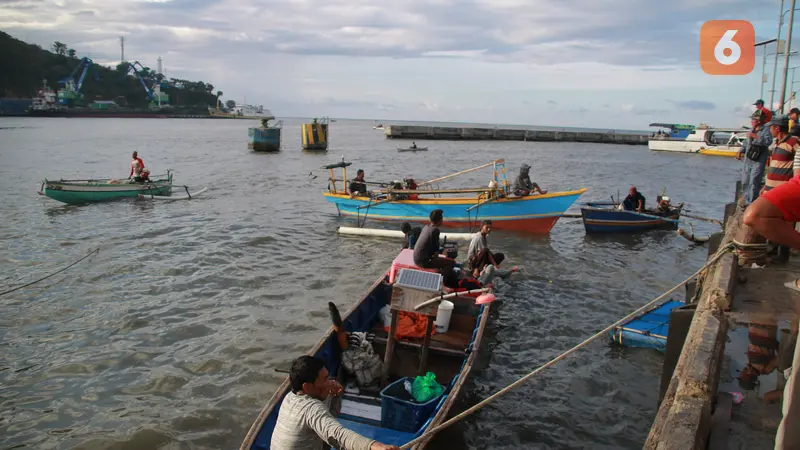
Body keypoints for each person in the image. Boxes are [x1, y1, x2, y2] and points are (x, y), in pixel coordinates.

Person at [270, 356, 399, 450]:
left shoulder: (289, 397)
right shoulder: (311, 408)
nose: (330, 382)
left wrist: (335, 396)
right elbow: (337, 435)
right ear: (307, 387)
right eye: (325, 379)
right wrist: (375, 446)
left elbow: (328, 420)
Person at [762, 115, 799, 263]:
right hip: (770, 190)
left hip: (783, 192)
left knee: (786, 225)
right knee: (771, 222)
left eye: (771, 127)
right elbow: (773, 167)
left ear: (777, 128)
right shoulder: (776, 144)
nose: (770, 130)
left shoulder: (794, 143)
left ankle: (783, 255)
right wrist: (765, 187)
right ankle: (771, 249)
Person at [737, 111, 772, 206]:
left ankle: (750, 202)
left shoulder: (766, 130)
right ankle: (745, 199)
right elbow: (746, 143)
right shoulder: (751, 129)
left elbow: (768, 142)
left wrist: (756, 137)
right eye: (752, 119)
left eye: (754, 119)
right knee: (745, 181)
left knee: (754, 181)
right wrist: (741, 150)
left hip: (758, 160)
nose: (752, 121)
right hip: (748, 159)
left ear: (759, 120)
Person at [413, 209, 457, 284]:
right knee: (451, 263)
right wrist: (443, 256)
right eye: (442, 218)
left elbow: (431, 247)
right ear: (440, 220)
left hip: (417, 258)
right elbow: (435, 252)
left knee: (441, 262)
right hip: (423, 262)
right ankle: (440, 283)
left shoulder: (426, 227)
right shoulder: (435, 230)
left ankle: (440, 276)